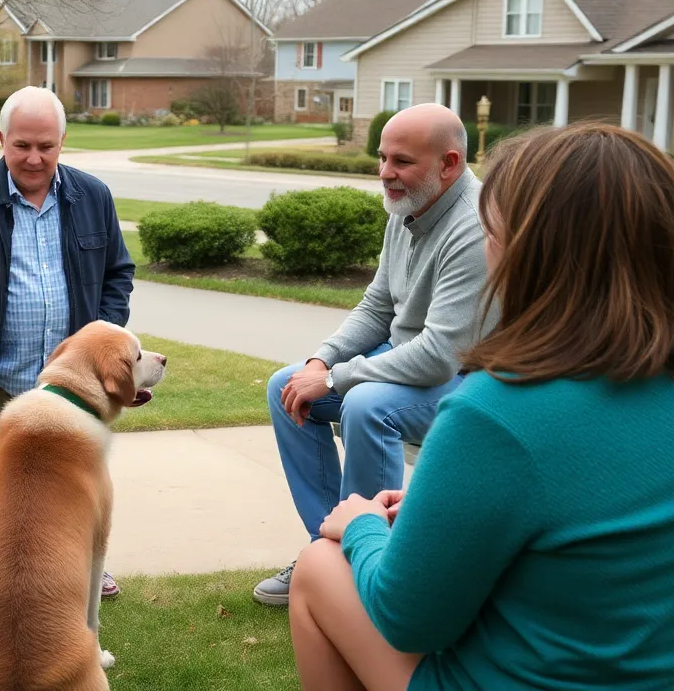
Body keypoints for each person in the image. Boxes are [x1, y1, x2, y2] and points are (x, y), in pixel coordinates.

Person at [288, 122, 674, 690]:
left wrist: (364, 527)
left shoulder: (497, 412)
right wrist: (433, 500)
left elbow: (409, 620)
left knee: (320, 568)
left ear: (530, 249)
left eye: (494, 227)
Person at [255, 103, 491, 606]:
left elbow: (439, 357)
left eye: (401, 161)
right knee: (286, 386)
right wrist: (321, 361)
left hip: (472, 382)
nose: (386, 173)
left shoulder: (474, 227)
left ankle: (385, 564)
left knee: (366, 406)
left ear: (449, 163)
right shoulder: (409, 205)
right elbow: (377, 306)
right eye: (382, 158)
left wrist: (337, 379)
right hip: (409, 363)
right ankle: (329, 547)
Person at [0, 85, 135, 608]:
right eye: (22, 146)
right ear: (1, 140)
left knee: (80, 475)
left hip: (76, 383)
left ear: (62, 142)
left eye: (45, 146)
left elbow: (118, 274)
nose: (34, 158)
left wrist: (101, 342)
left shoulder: (93, 196)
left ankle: (85, 566)